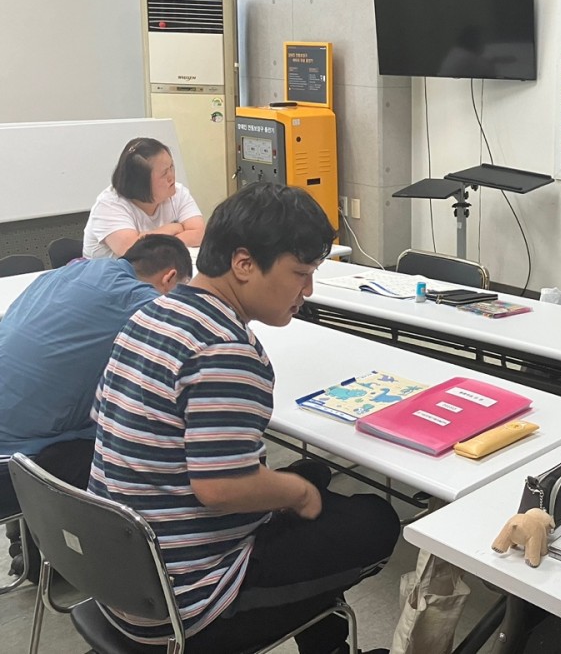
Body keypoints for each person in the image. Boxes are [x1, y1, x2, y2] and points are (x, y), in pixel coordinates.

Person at [89, 182, 399, 654]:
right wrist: (298, 494)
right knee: (373, 520)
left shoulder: (152, 314)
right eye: (300, 273)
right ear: (244, 264)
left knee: (313, 476)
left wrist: (296, 489)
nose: (308, 291)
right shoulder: (224, 349)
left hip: (126, 576)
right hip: (188, 602)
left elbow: (110, 421)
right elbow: (221, 488)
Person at [0, 235, 192, 579]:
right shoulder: (141, 301)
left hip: (11, 440)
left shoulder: (67, 272)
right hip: (13, 466)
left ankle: (31, 543)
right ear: (169, 278)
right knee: (141, 444)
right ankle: (72, 561)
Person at [83, 136, 206, 259]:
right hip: (110, 270)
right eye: (164, 173)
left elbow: (200, 234)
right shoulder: (109, 205)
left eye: (171, 167)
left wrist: (159, 241)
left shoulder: (177, 192)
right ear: (141, 182)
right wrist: (171, 228)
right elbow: (131, 251)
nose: (171, 177)